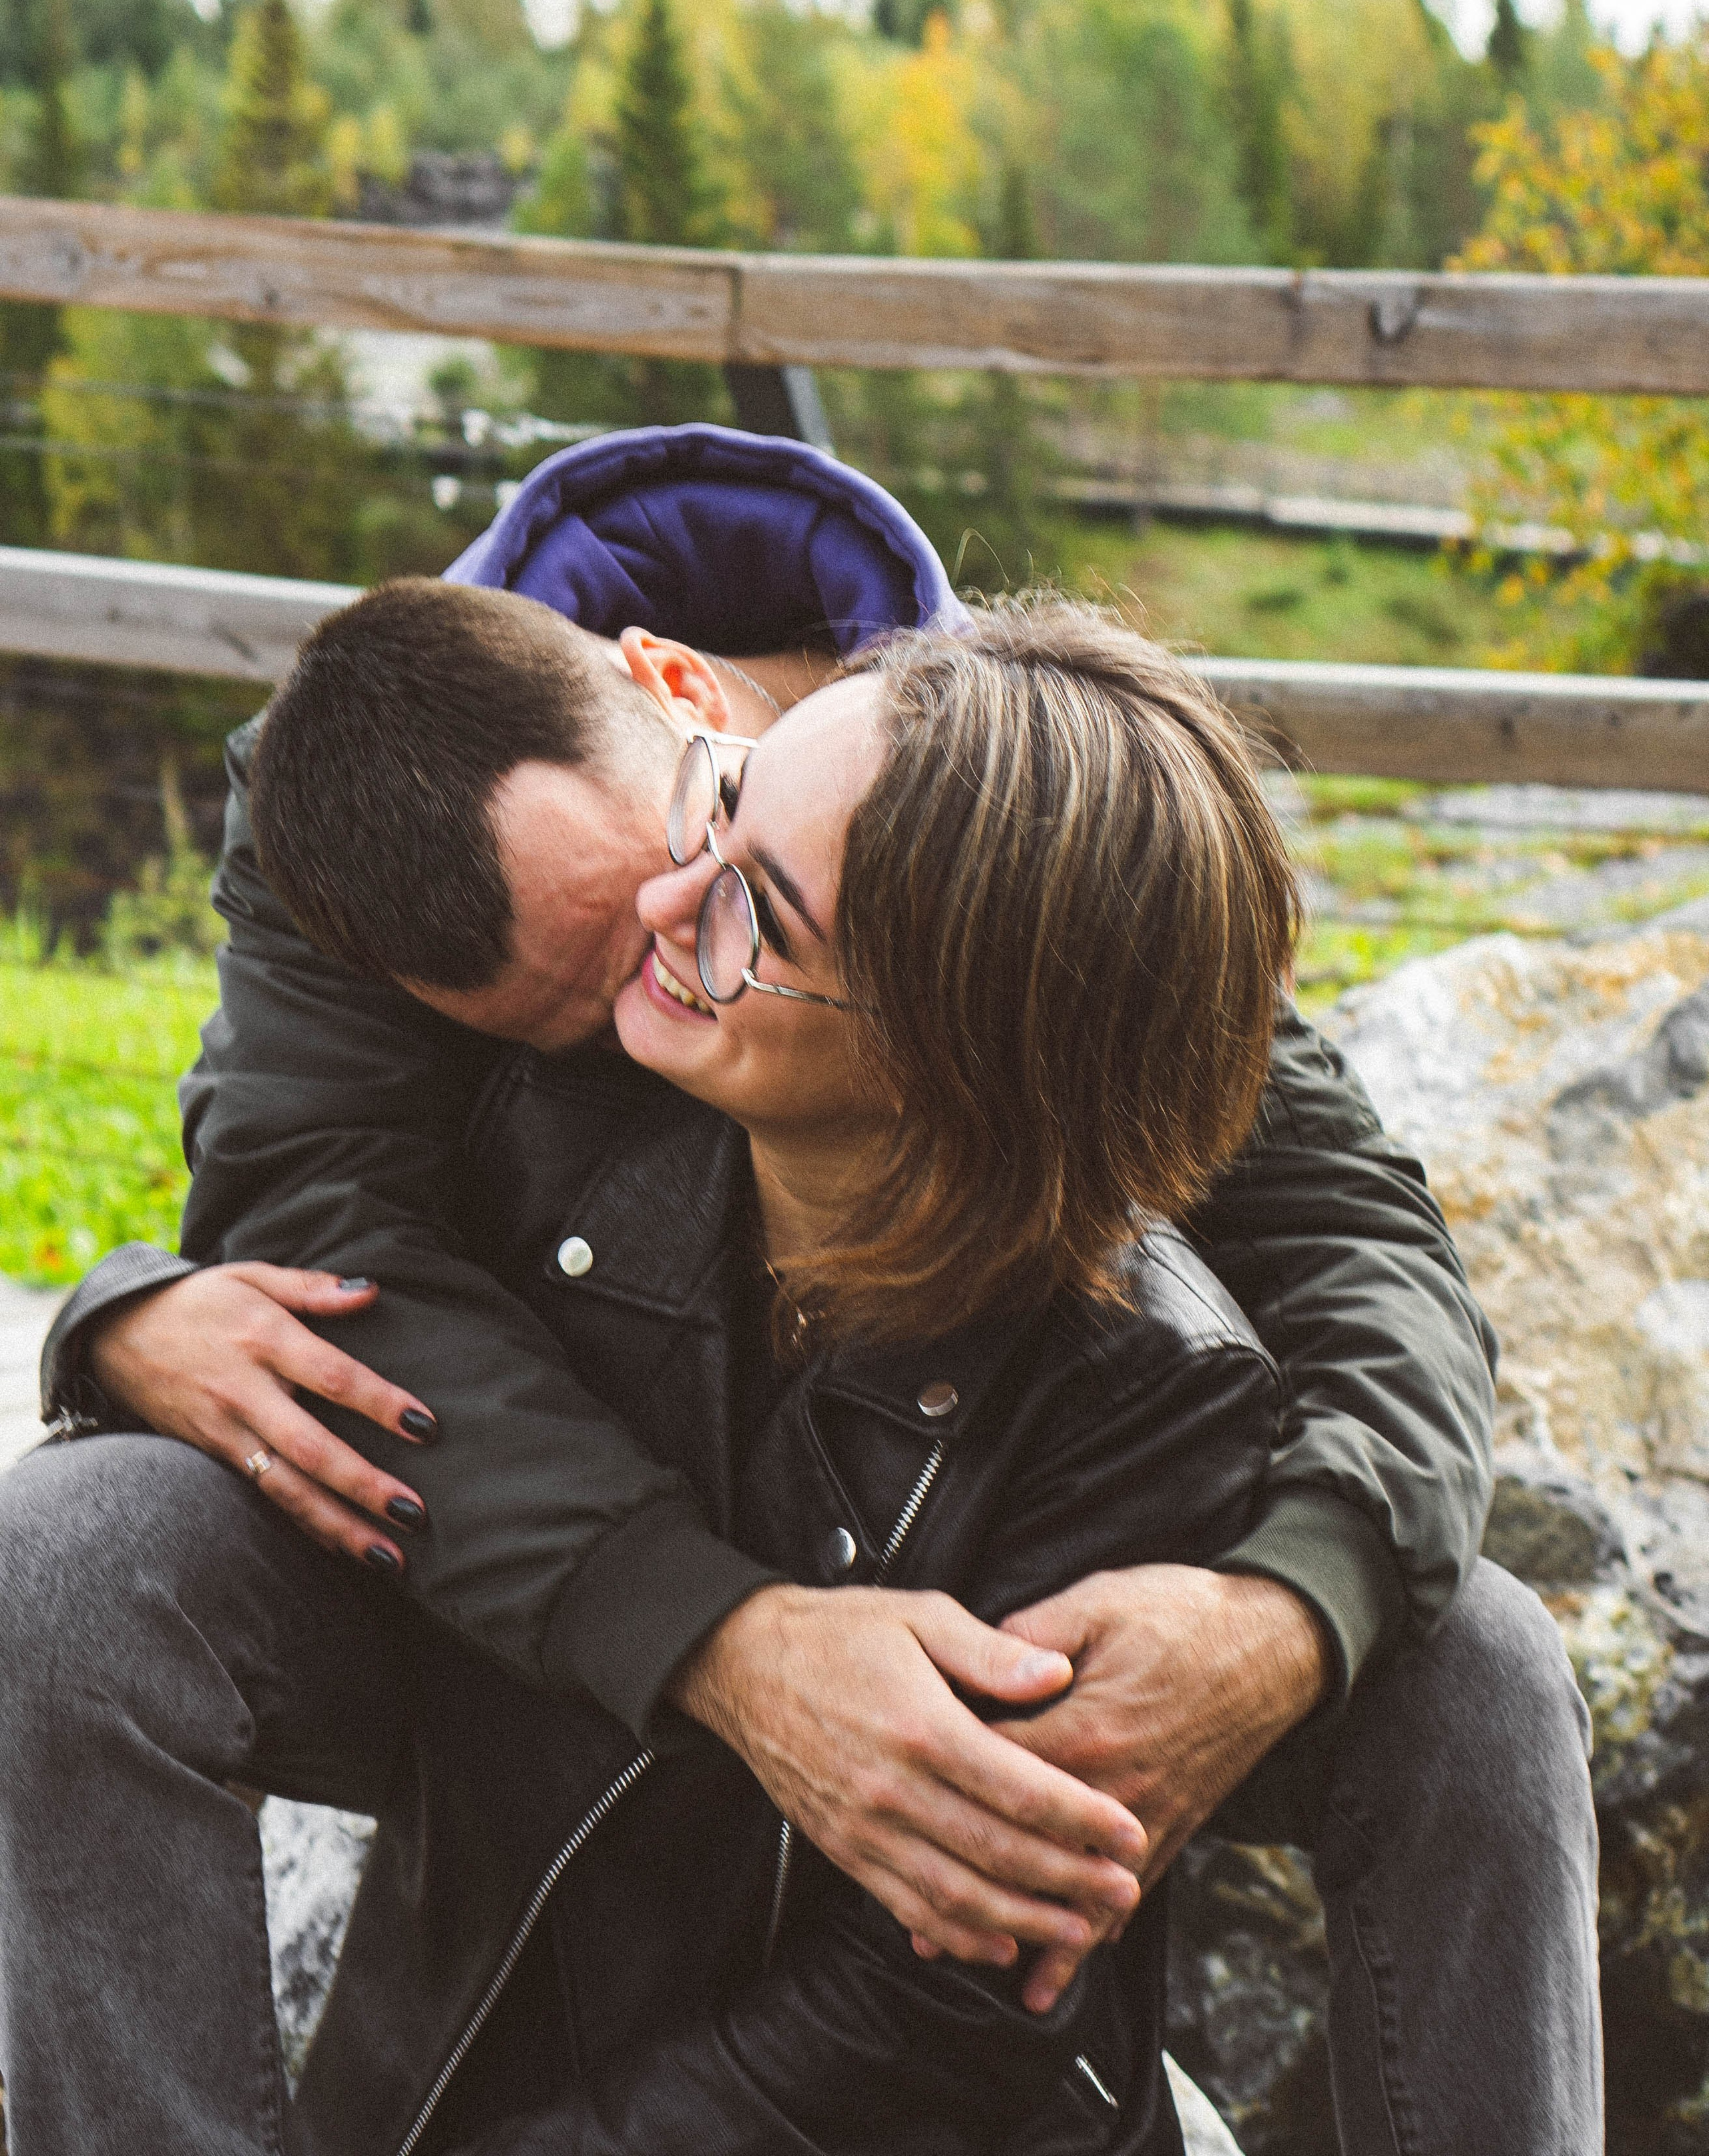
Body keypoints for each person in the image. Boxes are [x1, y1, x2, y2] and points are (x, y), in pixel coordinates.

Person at [5, 432, 1599, 2152]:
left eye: (716, 893)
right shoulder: (351, 802)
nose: (656, 974)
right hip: (537, 1536)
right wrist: (721, 1643)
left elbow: (1342, 1218)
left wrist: (1299, 1598)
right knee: (83, 1559)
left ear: (703, 699)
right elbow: (320, 1211)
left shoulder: (996, 815)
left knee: (1479, 1664)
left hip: (918, 1486)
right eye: (570, 1014)